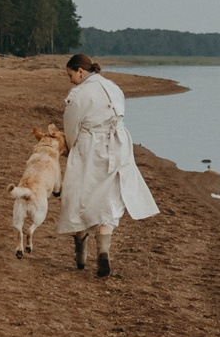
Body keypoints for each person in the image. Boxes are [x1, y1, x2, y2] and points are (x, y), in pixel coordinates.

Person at [57, 53, 157, 277]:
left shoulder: (79, 94)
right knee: (109, 198)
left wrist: (71, 149)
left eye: (70, 75)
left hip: (92, 145)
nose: (70, 80)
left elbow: (71, 127)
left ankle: (81, 248)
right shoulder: (112, 86)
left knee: (78, 195)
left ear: (80, 72)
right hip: (119, 144)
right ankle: (103, 251)